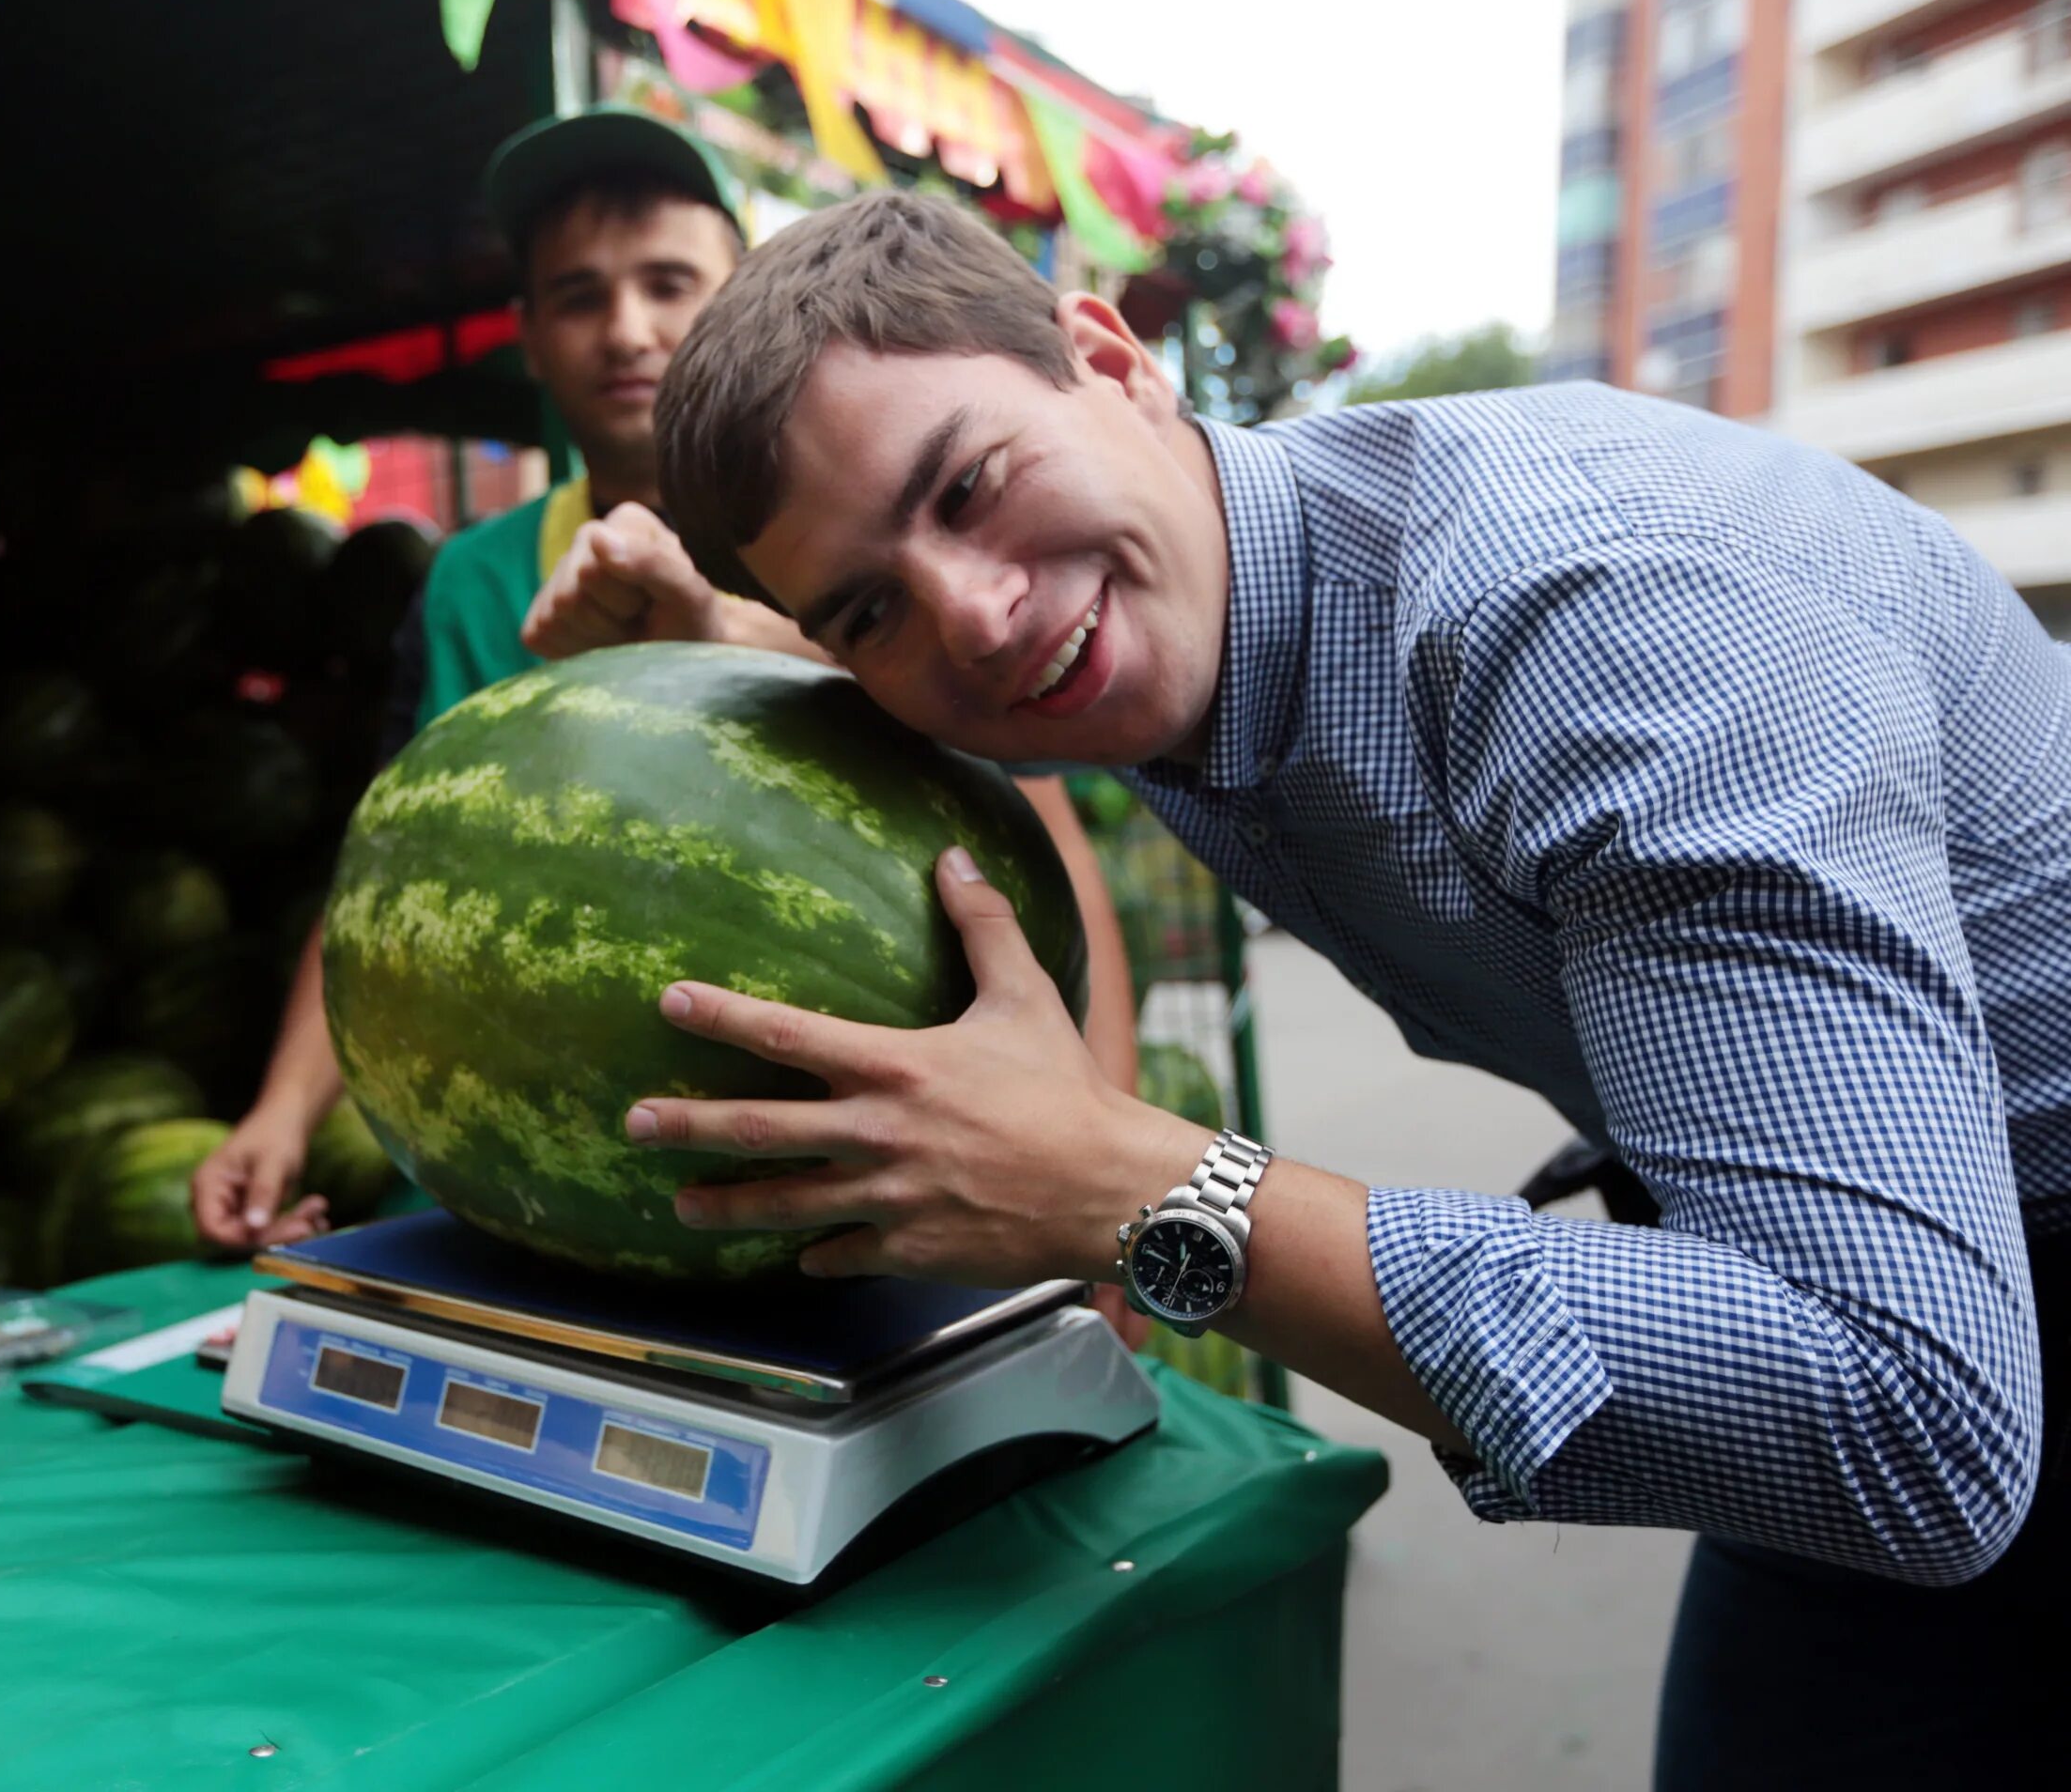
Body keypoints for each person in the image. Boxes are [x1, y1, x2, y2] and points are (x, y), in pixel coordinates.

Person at [617, 187, 2063, 1786]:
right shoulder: (1149, 605)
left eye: (969, 483)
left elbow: (1912, 1413)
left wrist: (1147, 1187)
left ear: (1111, 360)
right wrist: (720, 646)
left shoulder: (1590, 622)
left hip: (1929, 1311)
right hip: (1810, 1257)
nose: (974, 614)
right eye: (870, 607)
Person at [192, 117, 1141, 1255]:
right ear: (531, 336)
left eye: (667, 282)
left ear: (736, 295)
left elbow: (1042, 851)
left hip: (833, 1231)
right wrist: (282, 1114)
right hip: (527, 1217)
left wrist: (1108, 1168)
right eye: (581, 297)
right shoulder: (472, 583)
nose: (628, 331)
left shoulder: (851, 562)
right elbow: (388, 870)